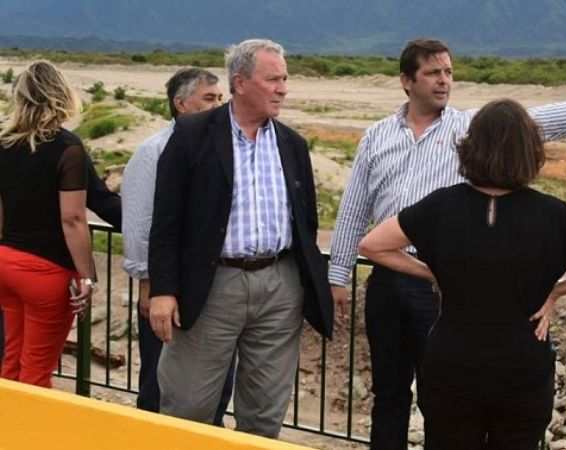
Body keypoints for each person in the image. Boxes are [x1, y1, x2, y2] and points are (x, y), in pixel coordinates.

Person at [328, 38, 566, 449]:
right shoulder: (376, 137)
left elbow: (538, 121)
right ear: (406, 81)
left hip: (447, 289)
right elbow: (355, 209)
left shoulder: (469, 127)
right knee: (388, 393)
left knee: (441, 399)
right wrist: (337, 276)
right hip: (392, 279)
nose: (444, 80)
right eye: (433, 72)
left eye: (448, 71)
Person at [147, 39, 333, 438]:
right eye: (272, 79)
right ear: (241, 83)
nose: (283, 87)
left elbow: (306, 221)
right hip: (212, 285)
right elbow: (166, 221)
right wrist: (163, 290)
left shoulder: (292, 144)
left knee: (265, 411)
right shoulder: (192, 134)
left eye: (285, 78)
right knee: (188, 406)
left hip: (279, 284)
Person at [121, 67, 235, 425]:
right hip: (168, 288)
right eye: (209, 98)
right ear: (180, 104)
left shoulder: (224, 150)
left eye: (220, 98)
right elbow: (140, 222)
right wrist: (149, 284)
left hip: (214, 286)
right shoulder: (153, 150)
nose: (218, 106)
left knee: (218, 384)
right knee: (160, 383)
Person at [0, 60, 94, 388]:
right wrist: (88, 277)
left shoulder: (4, 143)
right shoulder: (68, 149)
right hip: (46, 271)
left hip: (6, 262)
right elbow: (73, 219)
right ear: (61, 94)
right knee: (37, 371)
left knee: (11, 360)